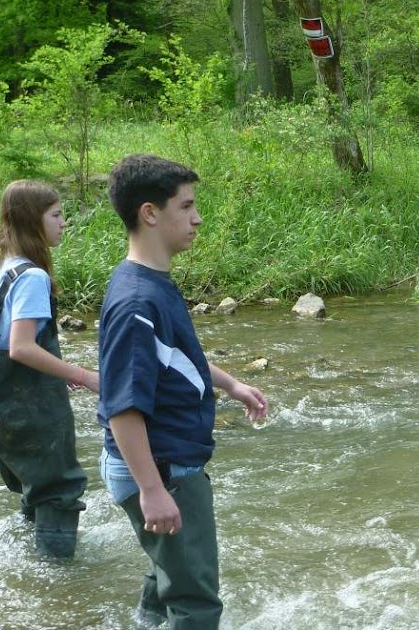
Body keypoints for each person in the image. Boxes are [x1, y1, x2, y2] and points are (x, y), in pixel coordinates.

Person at [97, 154, 268, 629]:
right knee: (196, 601)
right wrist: (153, 489)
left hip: (163, 464)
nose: (197, 217)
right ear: (150, 213)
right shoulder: (137, 301)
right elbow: (122, 408)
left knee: (164, 578)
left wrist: (230, 383)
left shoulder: (149, 282)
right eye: (187, 206)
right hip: (163, 468)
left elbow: (173, 359)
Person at [0, 180, 98, 559]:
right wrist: (82, 375)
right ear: (32, 221)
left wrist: (55, 371)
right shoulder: (34, 277)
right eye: (56, 215)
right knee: (58, 489)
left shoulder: (6, 266)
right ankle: (58, 582)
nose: (63, 223)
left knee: (35, 484)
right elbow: (22, 347)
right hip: (26, 405)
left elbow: (7, 343)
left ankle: (35, 563)